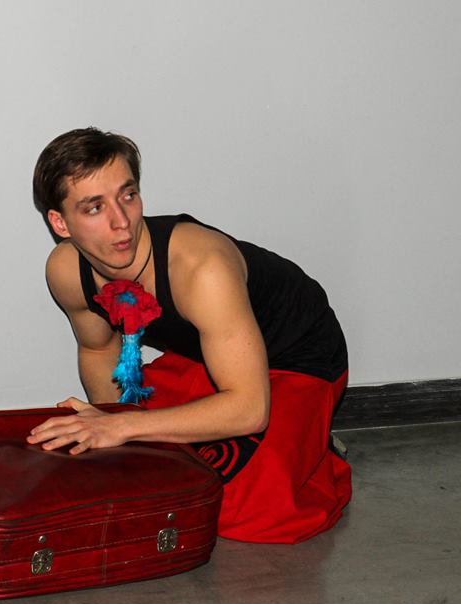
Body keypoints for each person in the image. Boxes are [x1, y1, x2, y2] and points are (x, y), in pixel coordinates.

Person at [27, 127, 350, 544]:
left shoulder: (201, 268)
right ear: (60, 222)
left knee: (236, 508)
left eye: (128, 195)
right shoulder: (66, 271)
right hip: (207, 359)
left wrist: (121, 427)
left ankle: (318, 450)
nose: (122, 222)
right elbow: (98, 348)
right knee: (135, 471)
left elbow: (250, 409)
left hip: (297, 359)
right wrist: (113, 435)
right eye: (94, 208)